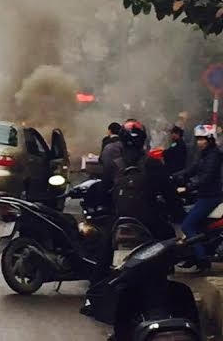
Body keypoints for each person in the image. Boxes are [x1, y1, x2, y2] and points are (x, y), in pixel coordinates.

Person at [81, 119, 183, 317]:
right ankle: (162, 291)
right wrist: (177, 213)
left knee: (103, 257)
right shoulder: (153, 164)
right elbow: (171, 196)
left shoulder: (114, 165)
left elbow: (102, 193)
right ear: (143, 140)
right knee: (168, 243)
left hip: (119, 221)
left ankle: (91, 299)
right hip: (148, 222)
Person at [177, 124, 223, 273]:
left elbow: (206, 177)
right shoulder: (204, 154)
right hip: (203, 195)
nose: (199, 142)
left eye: (202, 139)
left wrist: (188, 187)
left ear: (210, 139)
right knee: (197, 226)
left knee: (187, 226)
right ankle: (194, 256)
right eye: (198, 139)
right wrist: (173, 176)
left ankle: (202, 259)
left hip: (210, 197)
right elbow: (192, 169)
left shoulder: (214, 155)